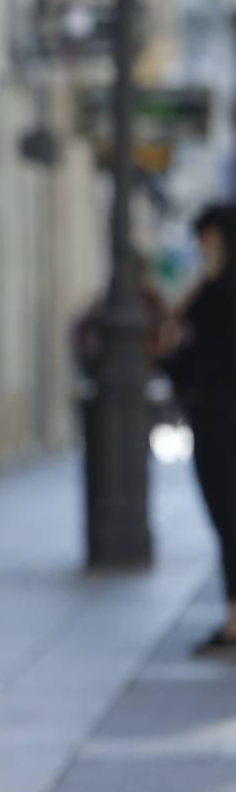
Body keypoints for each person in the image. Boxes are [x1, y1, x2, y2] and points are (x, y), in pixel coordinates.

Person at [163, 204, 236, 654]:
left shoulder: (221, 291)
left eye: (206, 239)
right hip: (217, 417)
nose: (201, 247)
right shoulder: (216, 288)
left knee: (228, 516)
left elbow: (192, 354)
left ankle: (234, 619)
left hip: (220, 422)